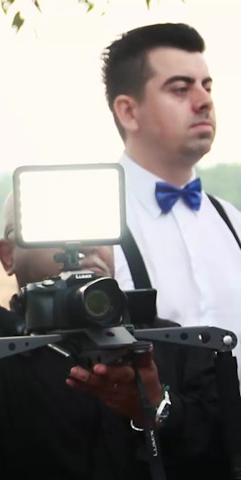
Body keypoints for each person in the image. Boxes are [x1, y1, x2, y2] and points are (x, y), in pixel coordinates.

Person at [0, 193, 228, 480]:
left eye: (96, 227)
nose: (83, 245)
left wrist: (156, 407)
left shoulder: (175, 344)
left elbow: (224, 453)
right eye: (54, 228)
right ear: (8, 255)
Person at [101, 23, 241, 381]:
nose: (204, 100)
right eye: (180, 89)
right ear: (128, 112)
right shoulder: (96, 230)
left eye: (207, 86)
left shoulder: (231, 221)